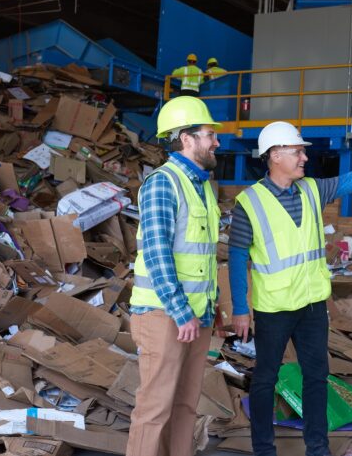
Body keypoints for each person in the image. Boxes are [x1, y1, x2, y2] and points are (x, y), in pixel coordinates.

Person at [228, 121, 352, 456]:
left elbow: (351, 180)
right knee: (264, 381)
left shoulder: (311, 189)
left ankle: (317, 449)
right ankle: (264, 450)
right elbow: (236, 255)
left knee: (316, 378)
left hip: (312, 306)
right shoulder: (250, 202)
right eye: (297, 151)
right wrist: (240, 309)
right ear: (275, 155)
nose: (305, 157)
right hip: (274, 308)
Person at [126, 96, 222, 456]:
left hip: (195, 315)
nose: (216, 142)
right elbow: (157, 252)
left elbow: (202, 257)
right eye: (209, 134)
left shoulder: (202, 188)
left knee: (185, 407)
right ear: (186, 138)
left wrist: (212, 307)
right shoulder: (163, 183)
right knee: (155, 409)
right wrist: (182, 311)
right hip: (165, 315)